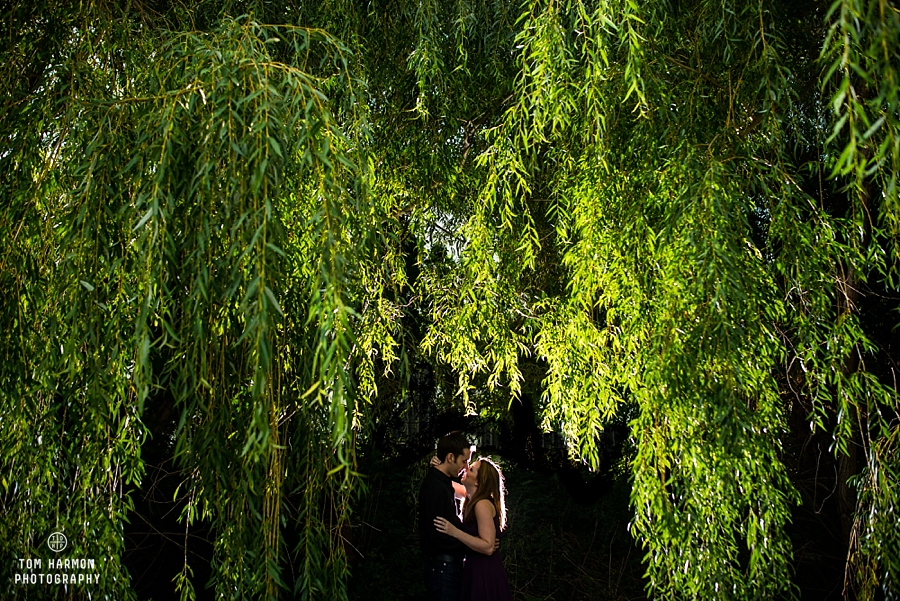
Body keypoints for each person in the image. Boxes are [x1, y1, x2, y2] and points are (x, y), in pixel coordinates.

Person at [434, 457, 512, 601]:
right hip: (475, 569)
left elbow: (488, 547)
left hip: (484, 572)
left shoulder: (481, 504)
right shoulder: (471, 498)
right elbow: (445, 484)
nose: (465, 468)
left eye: (471, 469)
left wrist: (455, 532)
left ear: (477, 481)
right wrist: (440, 467)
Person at [419, 431, 472, 601]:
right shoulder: (437, 487)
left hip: (446, 567)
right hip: (443, 567)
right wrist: (473, 544)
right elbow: (437, 535)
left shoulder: (443, 482)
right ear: (450, 457)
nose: (466, 467)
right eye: (464, 461)